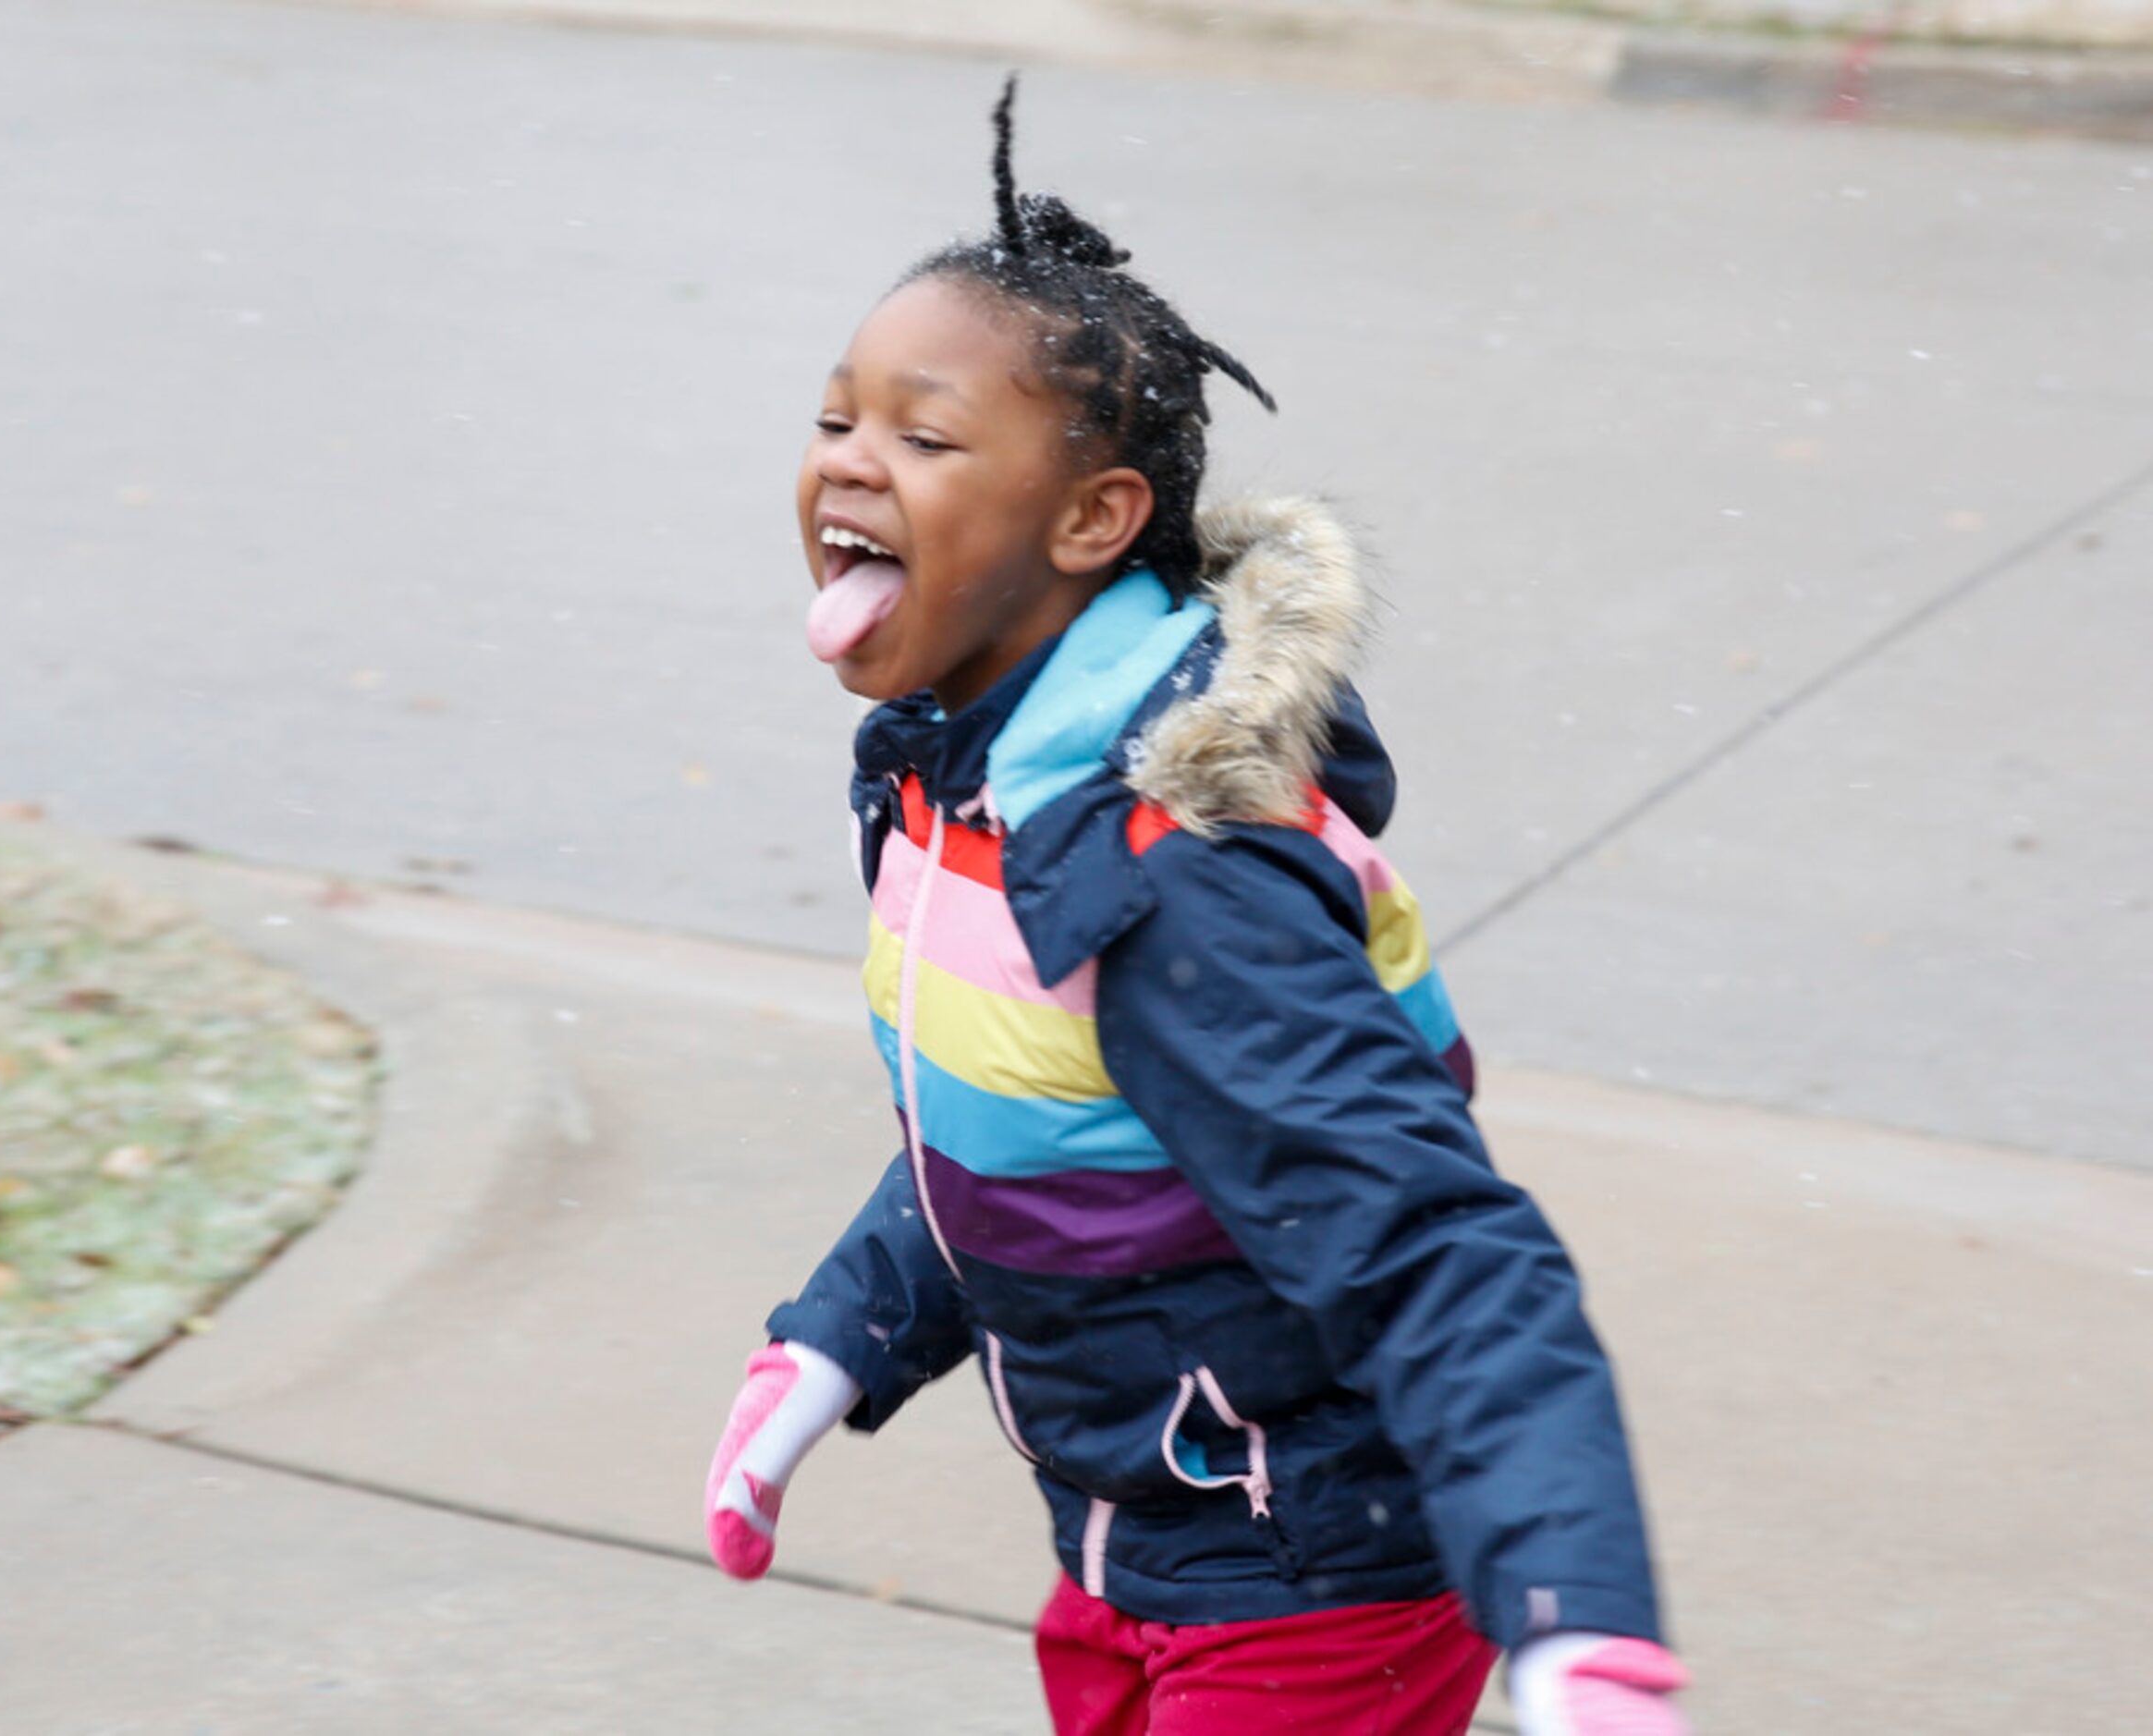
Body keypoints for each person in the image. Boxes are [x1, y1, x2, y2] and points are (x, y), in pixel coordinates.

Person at [706, 77, 1690, 1736]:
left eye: (925, 438)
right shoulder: (963, 769)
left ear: (1093, 522)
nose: (852, 467)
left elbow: (1437, 1243)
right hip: (1135, 1544)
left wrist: (1572, 1611)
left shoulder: (1178, 872)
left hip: (1316, 1580)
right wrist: (837, 1341)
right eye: (834, 421)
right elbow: (1032, 1114)